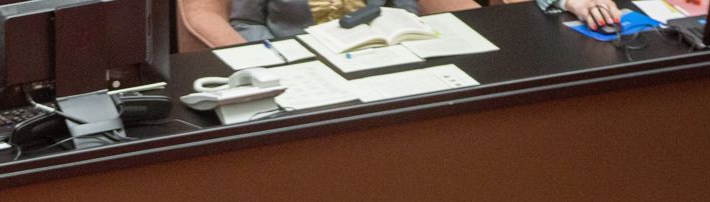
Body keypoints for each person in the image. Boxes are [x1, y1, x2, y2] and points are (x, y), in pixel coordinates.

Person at [229, 0, 619, 44]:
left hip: (375, 51)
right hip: (300, 58)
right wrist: (281, 57)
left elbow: (403, 6)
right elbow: (245, 21)